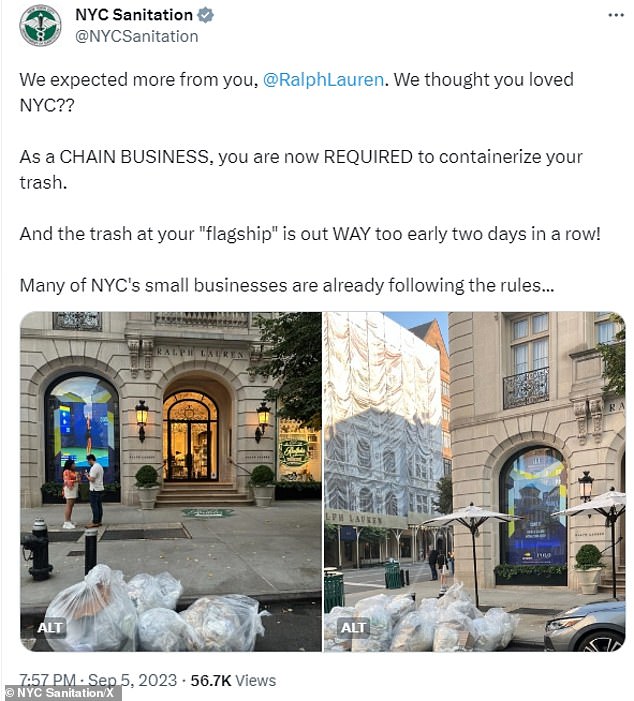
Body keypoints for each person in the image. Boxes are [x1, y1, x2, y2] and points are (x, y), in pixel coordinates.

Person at [85, 454, 104, 527]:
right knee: (99, 506)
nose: (88, 463)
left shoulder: (94, 468)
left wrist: (87, 476)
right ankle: (99, 521)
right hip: (99, 488)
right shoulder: (99, 466)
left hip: (94, 489)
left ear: (90, 460)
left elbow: (92, 479)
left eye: (88, 461)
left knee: (94, 506)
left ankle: (95, 521)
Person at [62, 459, 80, 529]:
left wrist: (78, 476)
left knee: (71, 505)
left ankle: (69, 520)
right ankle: (66, 522)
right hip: (69, 490)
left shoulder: (73, 471)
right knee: (69, 505)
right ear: (70, 465)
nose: (74, 465)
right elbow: (67, 481)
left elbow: (78, 480)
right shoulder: (66, 471)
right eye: (73, 464)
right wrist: (76, 480)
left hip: (73, 489)